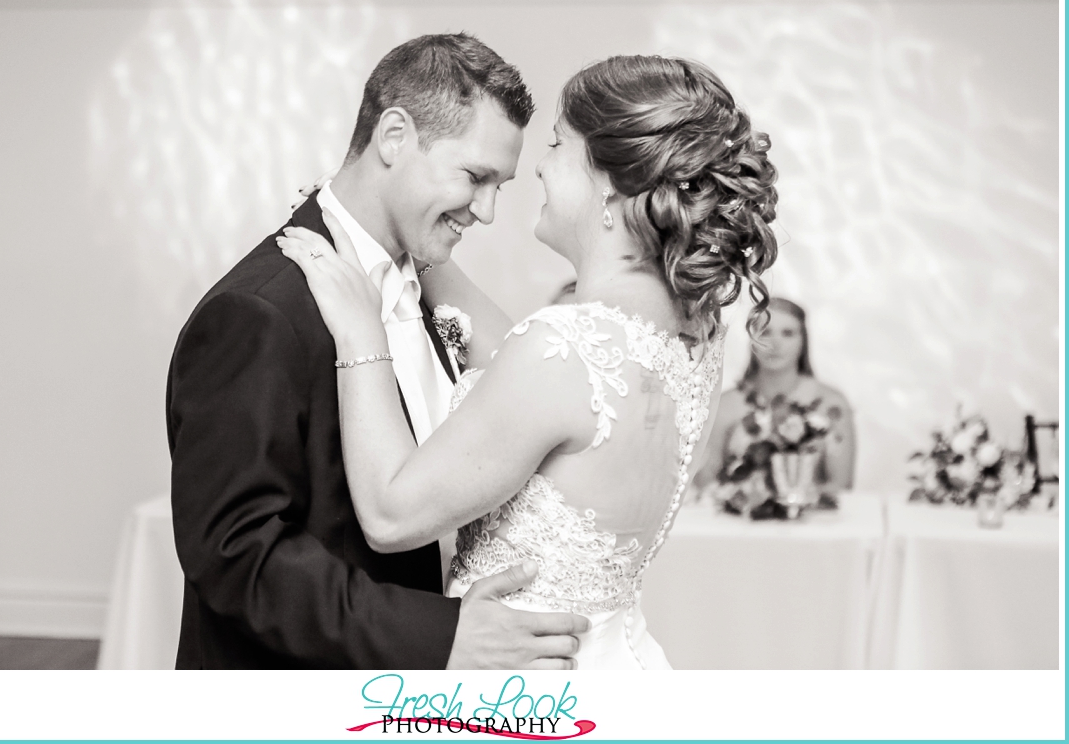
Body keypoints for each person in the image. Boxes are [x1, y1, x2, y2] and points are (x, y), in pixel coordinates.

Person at [279, 54, 779, 668]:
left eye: (557, 143)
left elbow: (389, 514)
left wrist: (361, 335)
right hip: (614, 664)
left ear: (610, 184)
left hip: (525, 687)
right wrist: (392, 227)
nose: (539, 166)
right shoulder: (694, 335)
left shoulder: (564, 354)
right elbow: (514, 351)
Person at [166, 33, 591, 669]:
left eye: (499, 185)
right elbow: (235, 556)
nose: (487, 210)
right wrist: (439, 636)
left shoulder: (423, 282)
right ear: (394, 137)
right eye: (475, 177)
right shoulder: (257, 312)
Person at [695, 297, 857, 490]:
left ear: (803, 341)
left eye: (787, 333)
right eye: (764, 332)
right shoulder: (725, 405)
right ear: (752, 339)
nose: (775, 343)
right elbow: (706, 486)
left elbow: (841, 486)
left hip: (812, 518)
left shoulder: (831, 403)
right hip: (738, 518)